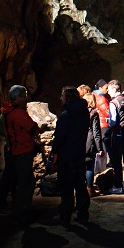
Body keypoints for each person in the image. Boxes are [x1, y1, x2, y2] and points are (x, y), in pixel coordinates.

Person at [52, 86, 91, 226]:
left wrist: (54, 150)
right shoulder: (84, 113)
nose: (60, 98)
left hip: (66, 155)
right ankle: (83, 215)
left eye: (62, 96)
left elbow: (60, 137)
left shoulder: (66, 115)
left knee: (67, 189)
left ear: (67, 97)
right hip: (79, 154)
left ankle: (65, 217)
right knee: (80, 186)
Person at [3, 85, 39, 226]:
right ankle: (21, 212)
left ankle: (19, 209)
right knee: (24, 183)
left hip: (14, 150)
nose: (26, 98)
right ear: (18, 97)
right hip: (22, 151)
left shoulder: (8, 111)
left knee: (20, 181)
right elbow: (34, 128)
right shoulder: (18, 113)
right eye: (24, 95)